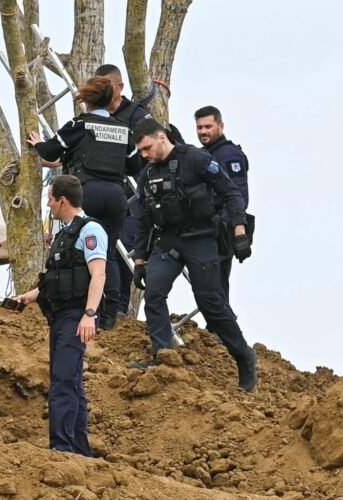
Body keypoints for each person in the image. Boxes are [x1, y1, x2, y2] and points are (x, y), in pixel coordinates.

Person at [130, 119, 257, 391]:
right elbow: (142, 218)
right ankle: (162, 354)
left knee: (210, 302)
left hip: (201, 238)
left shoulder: (197, 160)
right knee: (153, 293)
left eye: (147, 148)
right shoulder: (147, 174)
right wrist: (140, 260)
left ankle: (244, 356)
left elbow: (231, 193)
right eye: (140, 151)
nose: (144, 155)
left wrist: (239, 232)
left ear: (161, 138)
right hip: (169, 241)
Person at [26, 76, 136, 331]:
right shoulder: (123, 128)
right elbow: (134, 165)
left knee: (73, 249)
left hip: (86, 192)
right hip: (116, 196)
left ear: (86, 100)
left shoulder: (80, 124)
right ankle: (111, 315)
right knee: (106, 254)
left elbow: (51, 150)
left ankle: (72, 304)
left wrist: (38, 144)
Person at [12, 174, 106, 455]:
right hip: (60, 316)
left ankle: (61, 449)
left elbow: (98, 274)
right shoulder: (65, 234)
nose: (49, 205)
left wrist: (89, 314)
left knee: (64, 381)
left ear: (61, 200)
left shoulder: (89, 231)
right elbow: (56, 278)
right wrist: (28, 297)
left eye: (50, 199)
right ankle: (79, 450)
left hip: (77, 315)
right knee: (70, 382)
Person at [94, 64, 185, 316]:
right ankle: (107, 307)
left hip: (137, 195)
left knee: (127, 247)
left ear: (119, 88)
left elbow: (153, 155)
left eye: (106, 88)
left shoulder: (137, 116)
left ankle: (121, 309)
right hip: (113, 193)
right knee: (105, 248)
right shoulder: (99, 118)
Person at [195, 105, 250, 301]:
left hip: (221, 228)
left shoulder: (228, 154)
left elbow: (239, 194)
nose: (203, 131)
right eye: (200, 127)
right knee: (208, 283)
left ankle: (221, 328)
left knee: (216, 283)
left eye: (208, 126)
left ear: (221, 126)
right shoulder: (206, 153)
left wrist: (234, 228)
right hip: (207, 226)